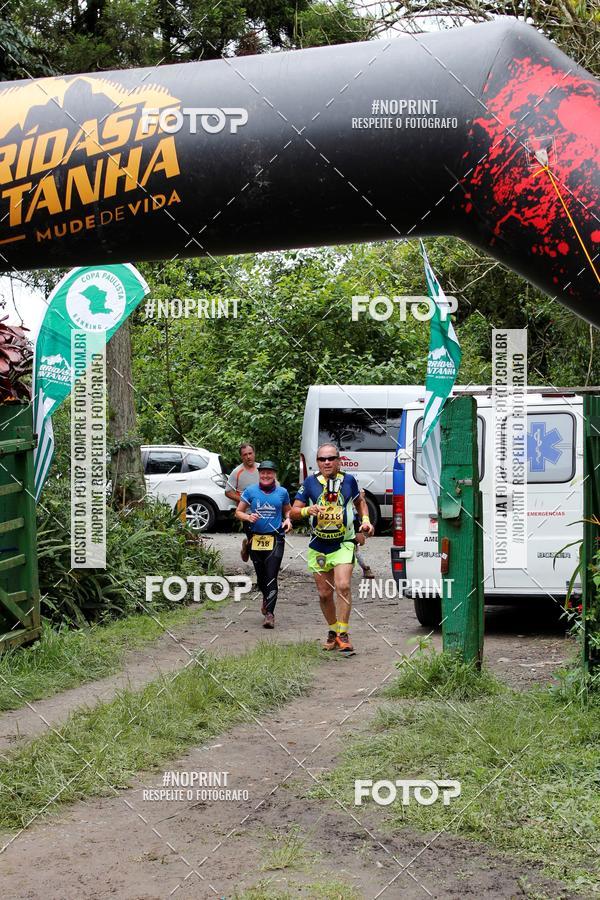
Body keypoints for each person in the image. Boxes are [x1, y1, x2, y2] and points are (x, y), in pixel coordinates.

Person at [290, 444, 374, 653]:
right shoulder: (310, 483)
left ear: (339, 460)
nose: (326, 462)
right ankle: (333, 630)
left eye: (330, 458)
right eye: (322, 459)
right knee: (324, 593)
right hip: (318, 545)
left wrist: (365, 521)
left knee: (343, 586)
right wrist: (309, 510)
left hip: (343, 543)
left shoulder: (349, 481)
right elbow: (293, 512)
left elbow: (360, 502)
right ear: (317, 462)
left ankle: (343, 633)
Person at [235, 460, 292, 628]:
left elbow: (288, 510)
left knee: (271, 576)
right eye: (263, 473)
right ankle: (266, 598)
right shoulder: (251, 491)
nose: (266, 475)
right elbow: (238, 512)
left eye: (270, 473)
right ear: (259, 474)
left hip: (276, 538)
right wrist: (248, 517)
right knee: (261, 578)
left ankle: (270, 613)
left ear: (274, 475)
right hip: (256, 539)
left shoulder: (282, 492)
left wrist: (288, 519)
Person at [226, 443, 259, 561]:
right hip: (247, 513)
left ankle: (264, 562)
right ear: (242, 457)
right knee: (253, 539)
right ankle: (250, 550)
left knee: (264, 539)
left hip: (265, 511)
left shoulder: (262, 470)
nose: (248, 457)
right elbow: (228, 491)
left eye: (250, 453)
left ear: (254, 454)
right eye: (245, 455)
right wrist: (244, 500)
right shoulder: (237, 472)